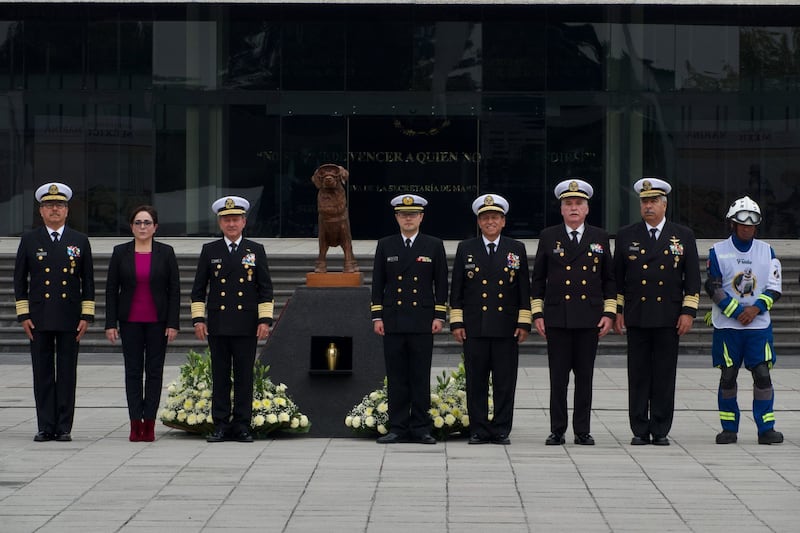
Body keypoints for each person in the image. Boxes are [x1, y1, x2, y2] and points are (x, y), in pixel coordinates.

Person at [613, 178, 700, 446]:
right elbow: (618, 279)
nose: (648, 206)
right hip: (637, 315)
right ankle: (640, 428)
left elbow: (693, 279)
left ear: (664, 205)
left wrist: (688, 312)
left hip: (668, 316)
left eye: (653, 202)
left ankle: (660, 428)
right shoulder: (627, 235)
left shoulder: (682, 235)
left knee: (664, 374)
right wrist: (618, 311)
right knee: (638, 374)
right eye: (644, 202)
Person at [531, 179, 616, 446]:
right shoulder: (549, 236)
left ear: (587, 209)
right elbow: (537, 279)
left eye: (579, 203)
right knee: (558, 378)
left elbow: (609, 279)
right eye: (569, 204)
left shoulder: (599, 237)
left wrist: (609, 313)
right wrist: (538, 314)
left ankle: (582, 430)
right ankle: (557, 430)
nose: (574, 208)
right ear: (562, 209)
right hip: (557, 317)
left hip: (588, 318)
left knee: (585, 378)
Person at [13, 182, 95, 442]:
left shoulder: (79, 241)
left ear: (67, 210)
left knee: (68, 372)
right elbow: (19, 281)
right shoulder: (29, 240)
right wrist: (24, 315)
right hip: (39, 317)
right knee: (43, 372)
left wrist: (86, 316)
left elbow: (88, 282)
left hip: (70, 316)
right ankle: (45, 425)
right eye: (49, 206)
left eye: (59, 205)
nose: (55, 210)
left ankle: (63, 427)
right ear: (41, 211)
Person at [191, 196, 274, 443]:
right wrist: (198, 319)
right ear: (220, 223)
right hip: (218, 323)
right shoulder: (210, 250)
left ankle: (242, 425)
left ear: (244, 222)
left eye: (235, 219)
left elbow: (265, 289)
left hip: (246, 324)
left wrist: (264, 321)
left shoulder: (255, 250)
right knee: (220, 375)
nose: (231, 224)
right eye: (226, 220)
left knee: (244, 376)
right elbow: (198, 289)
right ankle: (220, 425)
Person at [449, 194, 531, 445]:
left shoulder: (516, 248)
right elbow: (458, 290)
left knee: (505, 382)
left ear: (503, 221)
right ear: (479, 222)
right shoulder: (466, 248)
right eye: (485, 218)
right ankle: (479, 429)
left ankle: (501, 429)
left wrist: (523, 322)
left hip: (506, 327)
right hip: (475, 326)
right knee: (476, 381)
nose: (490, 222)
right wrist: (457, 322)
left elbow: (523, 289)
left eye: (495, 217)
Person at [705, 196, 783, 445]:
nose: (747, 227)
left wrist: (756, 309)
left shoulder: (767, 251)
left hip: (758, 326)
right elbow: (713, 287)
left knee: (762, 374)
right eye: (742, 223)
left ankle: (766, 428)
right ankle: (729, 428)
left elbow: (774, 288)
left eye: (752, 223)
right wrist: (736, 310)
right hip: (728, 325)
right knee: (728, 375)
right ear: (732, 224)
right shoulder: (717, 251)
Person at [370, 194, 449, 444]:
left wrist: (439, 315)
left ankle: (421, 427)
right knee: (396, 376)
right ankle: (398, 427)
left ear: (421, 217)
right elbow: (377, 283)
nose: (408, 218)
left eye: (413, 214)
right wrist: (377, 316)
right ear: (396, 217)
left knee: (419, 375)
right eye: (403, 215)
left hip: (422, 320)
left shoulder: (433, 244)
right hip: (393, 320)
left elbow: (441, 283)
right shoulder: (386, 244)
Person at [105, 206, 181, 442]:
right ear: (131, 226)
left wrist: (173, 323)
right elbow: (111, 290)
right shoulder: (120, 252)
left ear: (155, 227)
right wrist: (110, 323)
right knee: (133, 373)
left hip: (158, 322)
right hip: (130, 322)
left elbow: (174, 291)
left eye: (147, 223)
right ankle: (134, 422)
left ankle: (149, 423)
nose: (143, 227)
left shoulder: (166, 252)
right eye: (138, 223)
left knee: (155, 373)